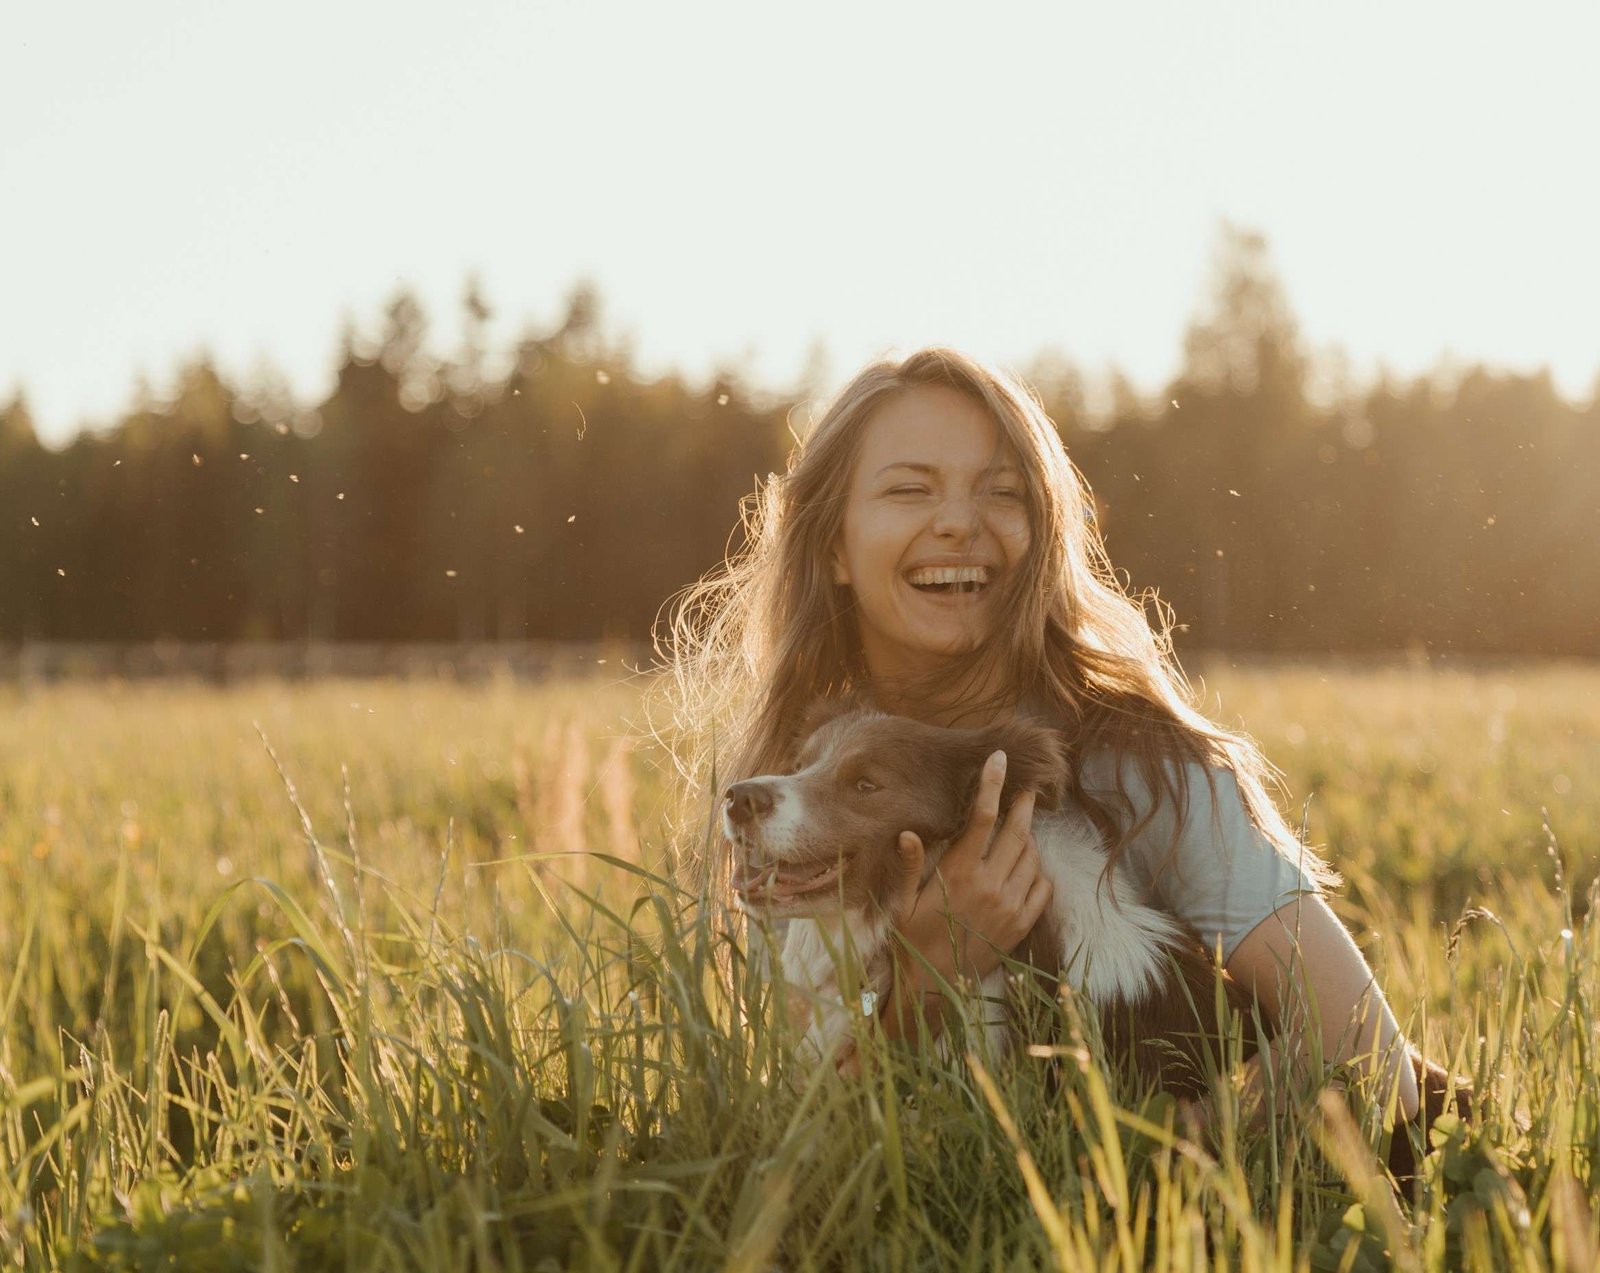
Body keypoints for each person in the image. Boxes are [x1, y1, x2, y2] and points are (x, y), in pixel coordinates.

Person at [661, 346, 1423, 1123]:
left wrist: (1157, 1160)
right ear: (833, 545)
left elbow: (1378, 1065)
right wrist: (925, 978)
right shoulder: (788, 792)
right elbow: (802, 1133)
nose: (959, 521)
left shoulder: (1145, 764)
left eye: (1002, 492)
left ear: (1044, 533)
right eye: (909, 488)